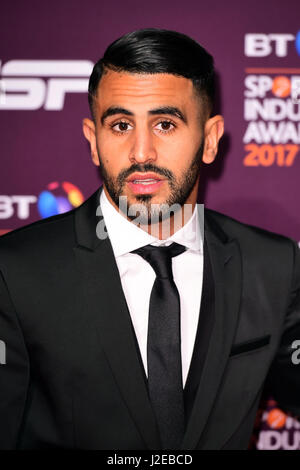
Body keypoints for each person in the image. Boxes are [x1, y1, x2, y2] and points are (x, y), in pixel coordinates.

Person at [0, 28, 299, 451]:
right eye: (120, 125)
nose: (142, 152)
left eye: (165, 124)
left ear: (210, 140)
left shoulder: (273, 264)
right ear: (93, 141)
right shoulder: (15, 270)